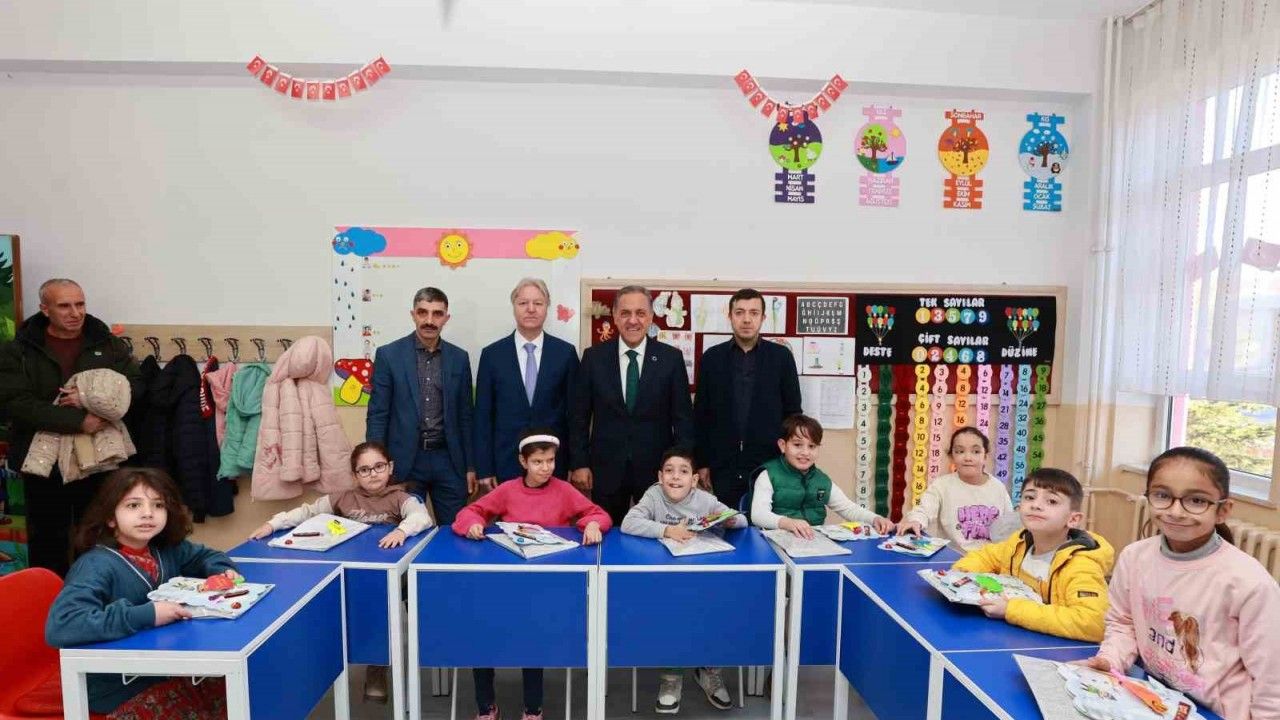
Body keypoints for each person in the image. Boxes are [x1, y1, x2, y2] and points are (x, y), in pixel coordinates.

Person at [1080, 447, 1280, 719]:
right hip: (1159, 699)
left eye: (1196, 500)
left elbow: (1271, 677)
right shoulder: (1134, 557)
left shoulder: (1249, 583)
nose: (1175, 511)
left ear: (1223, 510)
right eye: (1162, 496)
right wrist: (1111, 658)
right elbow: (1123, 622)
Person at [45, 467, 240, 719]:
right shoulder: (95, 565)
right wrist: (148, 615)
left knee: (240, 689)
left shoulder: (164, 549)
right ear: (110, 517)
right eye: (133, 505)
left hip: (162, 668)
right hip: (115, 688)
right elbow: (62, 625)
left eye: (158, 505)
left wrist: (222, 571)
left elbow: (205, 556)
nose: (148, 513)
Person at [249, 441, 433, 702]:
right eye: (364, 470)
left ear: (390, 467)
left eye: (379, 466)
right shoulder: (342, 498)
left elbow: (421, 517)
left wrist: (402, 530)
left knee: (376, 605)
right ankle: (318, 662)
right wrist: (273, 524)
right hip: (347, 574)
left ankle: (377, 665)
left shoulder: (401, 498)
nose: (373, 474)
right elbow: (307, 512)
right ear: (355, 475)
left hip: (384, 579)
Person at [453, 430, 610, 720]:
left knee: (533, 637)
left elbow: (598, 514)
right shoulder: (508, 490)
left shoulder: (564, 490)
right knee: (482, 632)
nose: (546, 467)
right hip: (507, 582)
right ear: (523, 461)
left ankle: (533, 708)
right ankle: (486, 707)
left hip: (546, 585)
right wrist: (473, 523)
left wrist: (592, 524)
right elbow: (469, 512)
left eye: (550, 461)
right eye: (538, 461)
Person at [0, 278, 143, 576]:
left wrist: (93, 402)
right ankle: (50, 599)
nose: (75, 313)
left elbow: (136, 386)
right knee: (47, 539)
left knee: (98, 535)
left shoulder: (108, 344)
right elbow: (15, 403)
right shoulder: (19, 350)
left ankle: (96, 595)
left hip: (99, 459)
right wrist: (79, 421)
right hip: (43, 463)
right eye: (64, 306)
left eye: (80, 304)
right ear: (45, 309)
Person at [622, 446, 746, 714]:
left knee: (718, 610)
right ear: (660, 476)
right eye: (669, 471)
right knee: (672, 614)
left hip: (705, 579)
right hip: (666, 580)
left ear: (695, 479)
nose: (675, 477)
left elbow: (740, 520)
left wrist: (731, 521)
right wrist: (667, 530)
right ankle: (672, 676)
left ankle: (709, 671)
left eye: (683, 472)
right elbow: (629, 523)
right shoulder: (654, 495)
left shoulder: (706, 500)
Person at [570, 285, 694, 524]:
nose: (633, 320)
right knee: (605, 532)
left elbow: (683, 419)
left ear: (650, 317)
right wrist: (579, 463)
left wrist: (682, 467)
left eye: (640, 313)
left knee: (658, 534)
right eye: (625, 313)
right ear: (615, 316)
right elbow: (579, 417)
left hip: (657, 470)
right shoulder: (594, 358)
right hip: (606, 469)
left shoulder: (671, 359)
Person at [951, 467, 1113, 641]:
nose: (1036, 505)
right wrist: (962, 574)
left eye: (1051, 501)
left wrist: (1010, 610)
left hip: (1055, 650)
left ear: (1073, 519)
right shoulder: (1019, 543)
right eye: (1029, 497)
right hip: (1012, 638)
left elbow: (1093, 622)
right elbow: (986, 556)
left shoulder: (1081, 565)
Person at [366, 286, 475, 525]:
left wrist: (470, 466)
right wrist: (376, 465)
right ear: (413, 314)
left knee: (455, 529)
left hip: (449, 461)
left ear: (446, 318)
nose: (429, 320)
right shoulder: (389, 355)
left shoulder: (459, 358)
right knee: (405, 531)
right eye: (423, 312)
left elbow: (466, 416)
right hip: (404, 461)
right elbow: (378, 414)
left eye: (437, 314)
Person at [694, 288, 801, 510]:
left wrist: (789, 460)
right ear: (730, 316)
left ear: (763, 318)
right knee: (727, 523)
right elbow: (701, 415)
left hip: (769, 462)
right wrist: (702, 462)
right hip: (723, 463)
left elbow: (793, 414)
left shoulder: (781, 357)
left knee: (766, 523)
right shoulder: (712, 358)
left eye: (754, 313)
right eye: (740, 312)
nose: (746, 319)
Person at [474, 278, 579, 491]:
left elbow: (576, 415)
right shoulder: (492, 355)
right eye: (523, 303)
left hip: (553, 463)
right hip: (505, 462)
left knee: (552, 514)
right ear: (514, 307)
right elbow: (483, 416)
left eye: (538, 303)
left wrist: (576, 463)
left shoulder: (565, 353)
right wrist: (484, 468)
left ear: (547, 307)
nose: (531, 309)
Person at [751, 414, 895, 537]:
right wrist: (787, 523)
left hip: (812, 542)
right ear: (783, 446)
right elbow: (758, 515)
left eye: (812, 446)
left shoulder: (821, 480)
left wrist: (875, 518)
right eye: (797, 445)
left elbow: (848, 508)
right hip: (775, 542)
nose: (805, 452)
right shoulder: (768, 475)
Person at [894, 427, 1014, 552]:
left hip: (991, 560)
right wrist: (915, 521)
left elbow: (1010, 526)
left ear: (985, 457)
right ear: (952, 457)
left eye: (976, 451)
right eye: (960, 451)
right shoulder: (941, 485)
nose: (968, 457)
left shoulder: (998, 487)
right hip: (954, 560)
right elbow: (923, 511)